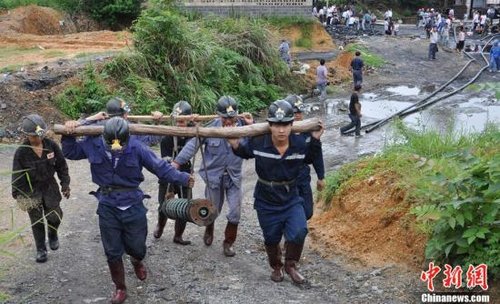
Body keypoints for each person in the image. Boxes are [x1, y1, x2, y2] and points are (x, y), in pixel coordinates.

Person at [61, 117, 194, 304]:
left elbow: (160, 168)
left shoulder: (137, 147)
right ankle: (120, 287)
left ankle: (137, 260)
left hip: (132, 203)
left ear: (127, 138)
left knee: (137, 247)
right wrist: (69, 132)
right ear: (104, 137)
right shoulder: (93, 143)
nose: (116, 147)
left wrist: (183, 178)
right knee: (112, 251)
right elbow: (70, 151)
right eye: (112, 143)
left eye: (120, 144)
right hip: (107, 205)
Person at [227, 100, 324, 284]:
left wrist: (316, 139)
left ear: (291, 125)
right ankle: (277, 267)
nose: (281, 130)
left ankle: (290, 264)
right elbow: (244, 151)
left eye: (285, 124)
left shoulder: (300, 143)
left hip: (290, 197)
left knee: (299, 231)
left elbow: (311, 157)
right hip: (266, 199)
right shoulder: (259, 142)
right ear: (269, 125)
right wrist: (234, 143)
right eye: (277, 125)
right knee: (271, 237)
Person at [172, 96, 253, 257]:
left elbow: (262, 140)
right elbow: (192, 146)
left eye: (232, 117)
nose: (229, 121)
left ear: (236, 115)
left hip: (233, 178)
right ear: (218, 116)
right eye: (225, 118)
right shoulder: (209, 129)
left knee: (235, 212)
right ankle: (210, 228)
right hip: (213, 177)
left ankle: (228, 243)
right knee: (211, 210)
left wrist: (253, 125)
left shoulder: (246, 129)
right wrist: (177, 162)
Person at [12, 114, 71, 263]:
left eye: (40, 135)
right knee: (37, 221)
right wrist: (19, 196)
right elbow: (17, 176)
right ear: (26, 135)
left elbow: (62, 166)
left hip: (50, 187)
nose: (38, 139)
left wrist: (65, 184)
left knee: (55, 216)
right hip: (32, 191)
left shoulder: (51, 146)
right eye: (34, 137)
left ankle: (53, 233)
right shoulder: (21, 152)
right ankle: (41, 249)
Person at [154, 101, 196, 244]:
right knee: (163, 204)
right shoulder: (167, 135)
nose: (179, 124)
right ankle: (160, 226)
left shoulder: (194, 133)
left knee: (185, 206)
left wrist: (196, 124)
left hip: (185, 173)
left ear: (189, 119)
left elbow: (200, 140)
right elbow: (165, 160)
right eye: (177, 120)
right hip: (168, 172)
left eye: (183, 120)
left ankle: (178, 235)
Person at [284, 95, 325, 220]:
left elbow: (314, 156)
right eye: (294, 112)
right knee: (292, 211)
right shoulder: (281, 132)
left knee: (308, 212)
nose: (297, 115)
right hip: (286, 178)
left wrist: (321, 177)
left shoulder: (308, 131)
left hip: (302, 177)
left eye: (299, 112)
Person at [64, 96, 163, 146]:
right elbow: (152, 139)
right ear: (125, 114)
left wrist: (90, 118)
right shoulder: (131, 129)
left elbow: (72, 151)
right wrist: (158, 122)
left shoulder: (97, 126)